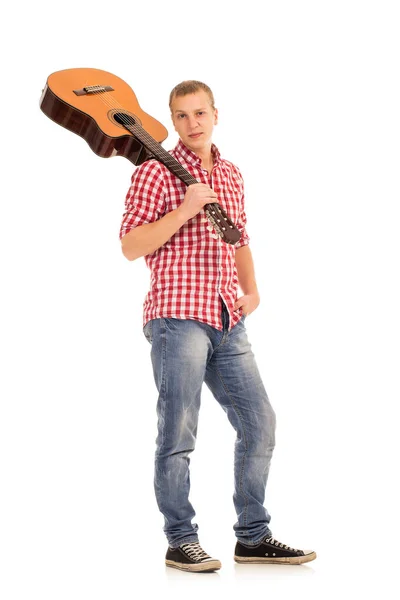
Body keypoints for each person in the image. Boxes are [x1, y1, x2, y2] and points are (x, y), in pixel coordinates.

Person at [119, 80, 316, 573]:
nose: (192, 124)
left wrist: (252, 290)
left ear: (215, 114)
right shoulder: (153, 172)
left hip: (228, 318)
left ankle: (252, 535)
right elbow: (130, 245)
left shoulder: (230, 174)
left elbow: (239, 236)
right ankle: (179, 539)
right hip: (178, 316)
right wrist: (185, 209)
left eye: (200, 113)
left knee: (260, 423)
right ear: (171, 119)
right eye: (181, 116)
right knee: (179, 431)